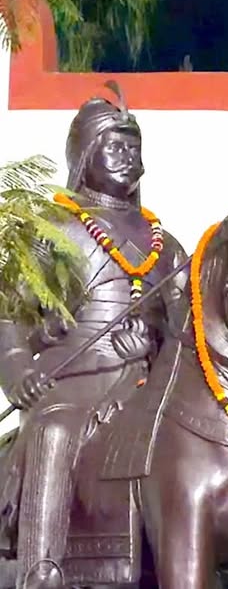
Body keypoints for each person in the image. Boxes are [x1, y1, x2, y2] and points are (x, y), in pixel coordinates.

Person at [0, 88, 188, 589]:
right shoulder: (51, 231)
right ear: (84, 154)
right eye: (114, 145)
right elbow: (9, 314)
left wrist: (154, 344)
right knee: (54, 432)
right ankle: (41, 569)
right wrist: (19, 369)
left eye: (134, 146)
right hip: (73, 383)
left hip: (145, 388)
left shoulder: (166, 247)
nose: (128, 156)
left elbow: (185, 331)